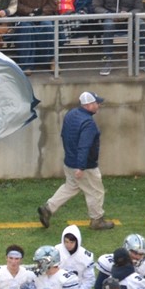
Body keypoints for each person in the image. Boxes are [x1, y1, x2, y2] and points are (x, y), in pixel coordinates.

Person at [40, 91, 115, 231]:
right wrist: (81, 167)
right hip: (84, 166)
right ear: (88, 105)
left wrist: (72, 160)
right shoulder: (88, 123)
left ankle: (48, 208)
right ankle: (97, 220)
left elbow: (64, 136)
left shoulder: (71, 114)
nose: (98, 105)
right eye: (96, 103)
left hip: (69, 162)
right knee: (96, 191)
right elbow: (84, 145)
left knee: (70, 187)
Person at [11, 0, 57, 73]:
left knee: (47, 26)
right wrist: (30, 12)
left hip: (45, 15)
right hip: (24, 16)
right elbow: (15, 3)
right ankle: (27, 65)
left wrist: (41, 12)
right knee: (25, 28)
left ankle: (49, 60)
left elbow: (53, 4)